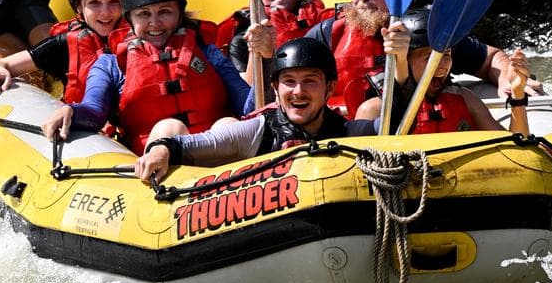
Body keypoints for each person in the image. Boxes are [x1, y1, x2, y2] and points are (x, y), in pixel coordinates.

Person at [304, 0, 540, 116]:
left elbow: (491, 58)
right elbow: (289, 81)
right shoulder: (326, 34)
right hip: (347, 131)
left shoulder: (427, 32)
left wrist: (507, 79)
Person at [41, 0, 255, 153]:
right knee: (169, 129)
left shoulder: (209, 54)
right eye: (143, 14)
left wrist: (259, 55)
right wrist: (73, 111)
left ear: (180, 14)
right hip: (158, 163)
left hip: (219, 154)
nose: (155, 23)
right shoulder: (111, 65)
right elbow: (95, 112)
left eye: (165, 12)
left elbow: (249, 108)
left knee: (228, 125)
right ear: (129, 19)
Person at [133, 37, 378, 183]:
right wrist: (161, 149)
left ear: (329, 88)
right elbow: (187, 144)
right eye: (289, 81)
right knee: (219, 125)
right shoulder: (258, 130)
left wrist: (400, 65)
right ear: (275, 88)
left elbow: (392, 127)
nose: (298, 91)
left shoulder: (346, 131)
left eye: (310, 81)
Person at [358, 8, 531, 135]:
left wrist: (517, 93)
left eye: (446, 55)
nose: (442, 65)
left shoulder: (465, 99)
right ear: (404, 60)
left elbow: (515, 147)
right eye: (429, 58)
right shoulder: (373, 111)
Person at [0, 0, 127, 103]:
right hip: (86, 119)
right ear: (78, 7)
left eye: (114, 1)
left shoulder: (141, 35)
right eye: (94, 2)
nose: (105, 12)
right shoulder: (63, 45)